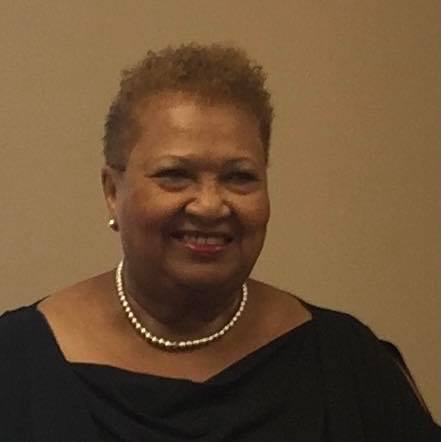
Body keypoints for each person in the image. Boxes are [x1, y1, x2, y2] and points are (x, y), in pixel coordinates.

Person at [1, 43, 439, 442]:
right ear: (112, 191)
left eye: (239, 177)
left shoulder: (346, 364)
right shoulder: (15, 364)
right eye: (175, 174)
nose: (210, 205)